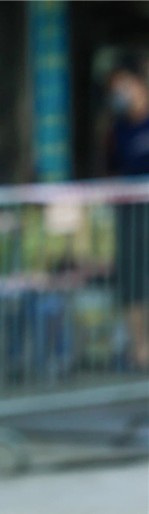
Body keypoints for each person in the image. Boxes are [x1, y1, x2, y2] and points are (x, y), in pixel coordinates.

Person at [105, 55, 149, 369]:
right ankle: (140, 349)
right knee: (133, 281)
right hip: (129, 215)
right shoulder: (116, 129)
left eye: (125, 84)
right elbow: (110, 170)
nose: (121, 91)